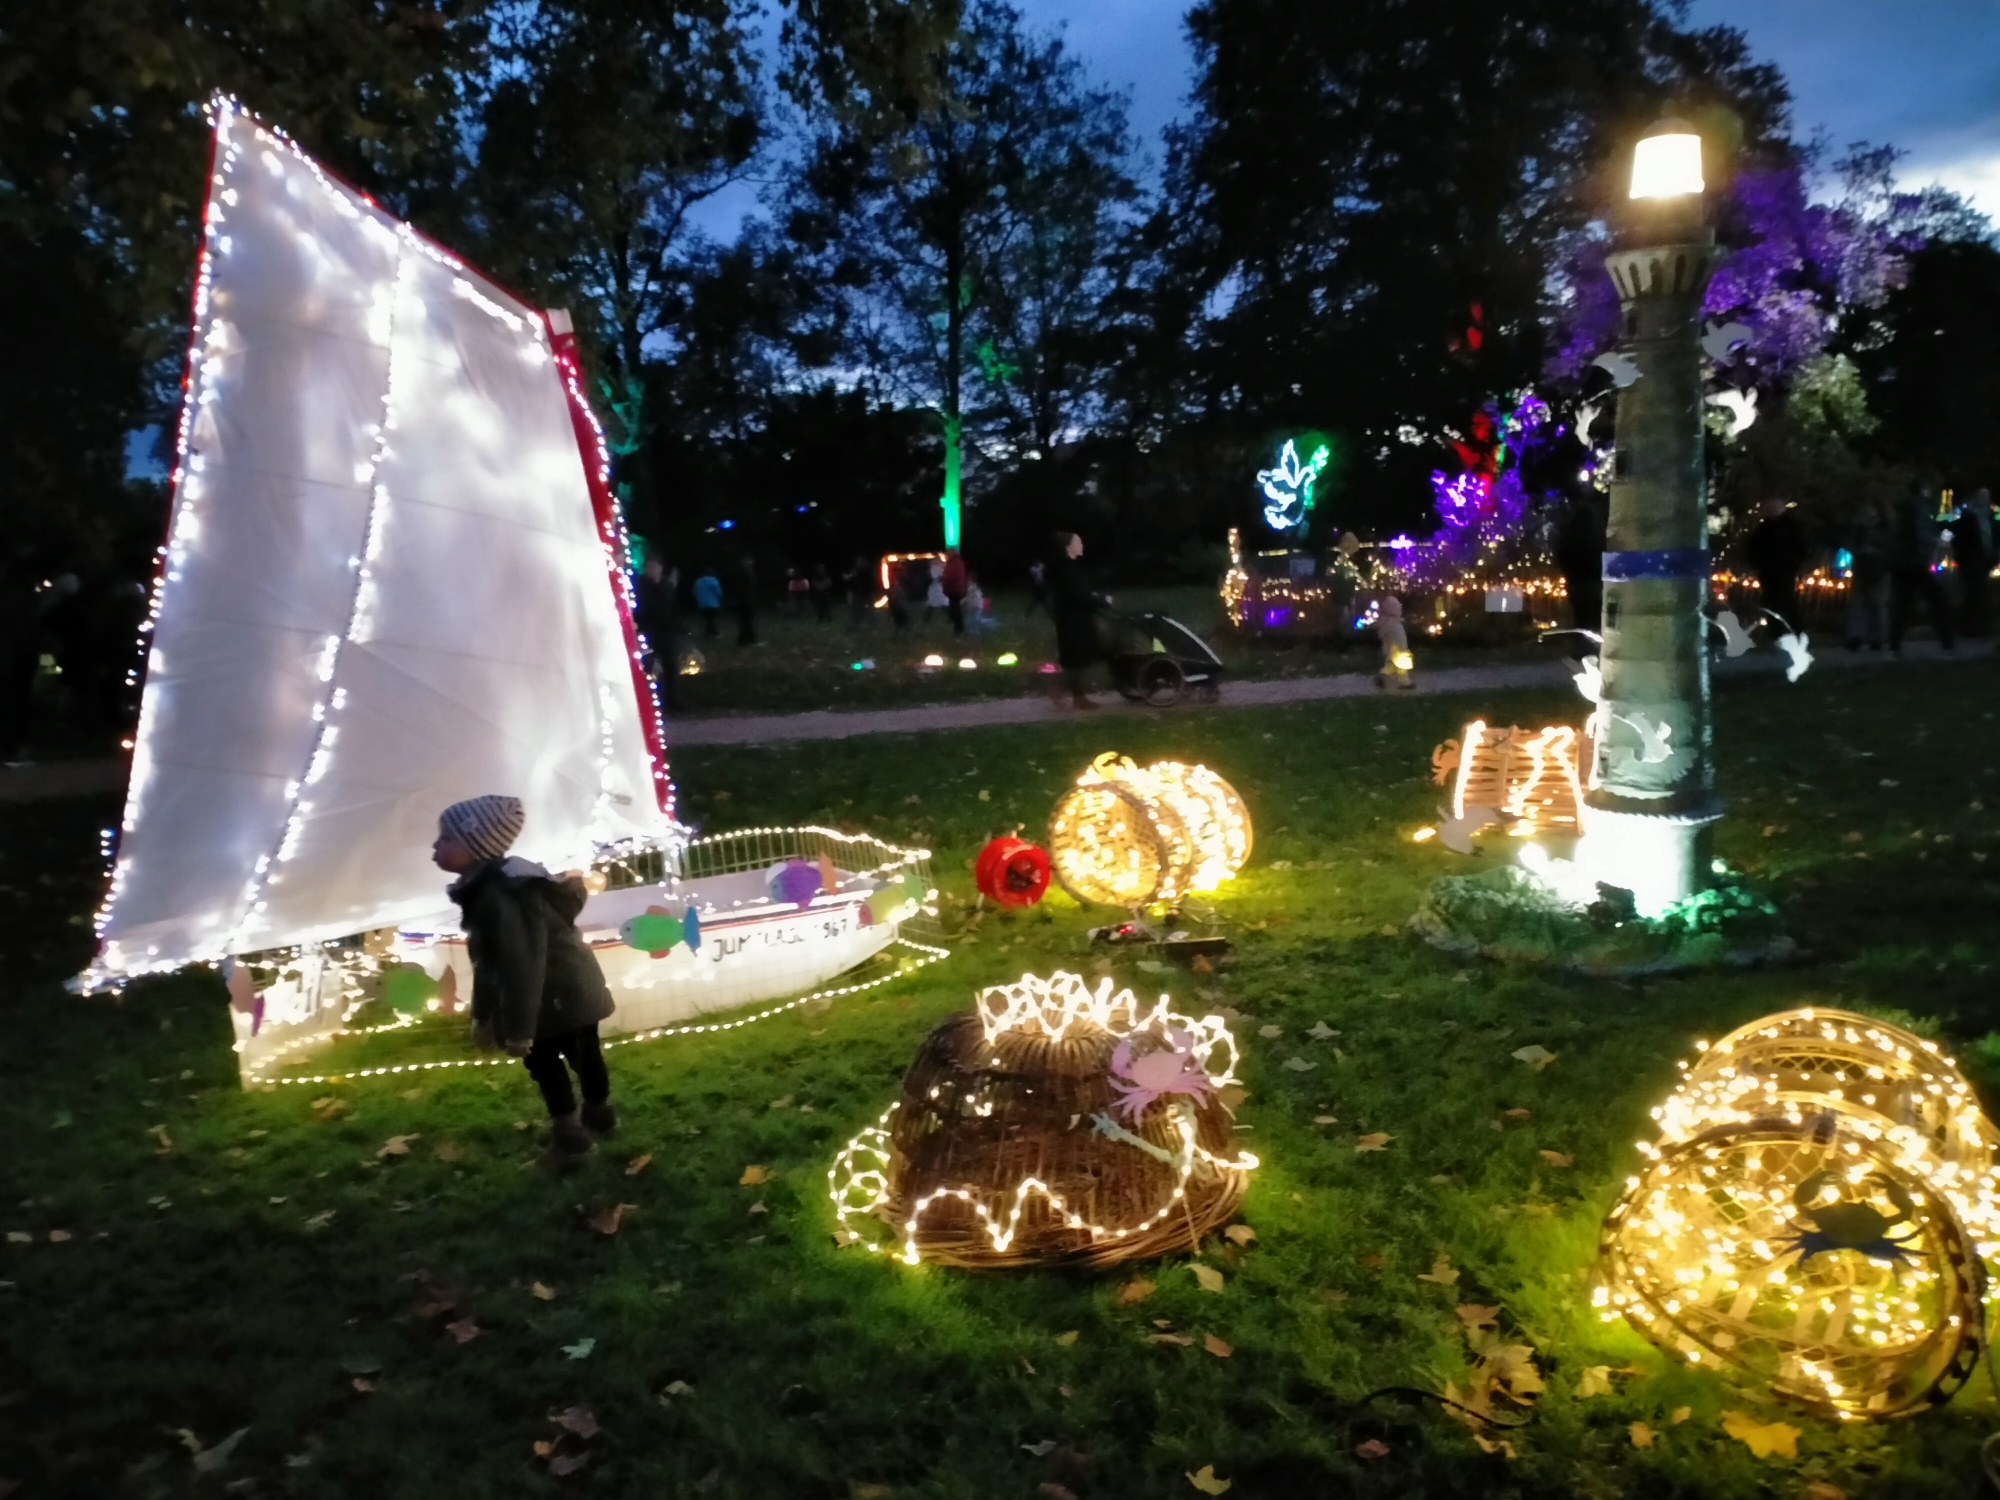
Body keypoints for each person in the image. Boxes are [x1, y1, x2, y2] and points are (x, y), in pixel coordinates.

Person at [433, 796, 616, 1171]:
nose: (436, 847)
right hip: (570, 987)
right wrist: (484, 1016)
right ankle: (599, 1115)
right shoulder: (497, 886)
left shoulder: (502, 895)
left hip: (552, 994)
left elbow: (519, 961)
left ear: (476, 846)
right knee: (584, 1053)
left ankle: (572, 1140)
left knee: (547, 1061)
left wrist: (517, 1030)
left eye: (447, 839)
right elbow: (491, 961)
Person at [1887, 484, 1955, 654]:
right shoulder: (1919, 509)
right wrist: (1932, 545)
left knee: (1904, 603)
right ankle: (1946, 640)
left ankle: (1895, 641)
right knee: (1935, 600)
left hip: (1901, 562)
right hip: (1915, 562)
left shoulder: (1902, 510)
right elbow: (1922, 535)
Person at [1049, 531, 1103, 709]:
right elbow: (1078, 596)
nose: (1082, 545)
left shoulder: (1069, 567)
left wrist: (1091, 596)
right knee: (1078, 658)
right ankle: (1061, 690)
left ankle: (1077, 696)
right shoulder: (1067, 569)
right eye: (1078, 542)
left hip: (1075, 619)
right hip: (1073, 621)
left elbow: (1079, 592)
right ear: (1068, 547)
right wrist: (1101, 601)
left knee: (1077, 659)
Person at [1745, 498, 1808, 633]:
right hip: (1770, 569)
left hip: (1783, 569)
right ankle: (1777, 630)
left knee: (1785, 600)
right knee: (1772, 601)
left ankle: (1793, 629)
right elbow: (1753, 547)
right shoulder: (1765, 528)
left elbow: (1801, 548)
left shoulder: (1790, 527)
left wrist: (1793, 564)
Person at [633, 553, 684, 711]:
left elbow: (672, 607)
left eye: (654, 566)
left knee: (670, 666)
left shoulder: (667, 585)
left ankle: (672, 700)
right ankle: (650, 702)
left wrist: (678, 626)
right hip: (649, 631)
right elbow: (641, 608)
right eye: (649, 567)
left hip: (666, 631)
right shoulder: (641, 586)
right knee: (649, 667)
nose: (651, 570)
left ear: (661, 568)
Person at [1554, 495, 1605, 649]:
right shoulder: (1596, 537)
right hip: (1593, 583)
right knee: (1593, 618)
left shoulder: (1570, 538)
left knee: (1581, 618)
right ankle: (1590, 649)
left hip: (1577, 584)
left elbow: (1562, 554)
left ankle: (1581, 648)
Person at [1842, 503, 1888, 651]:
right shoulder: (1859, 528)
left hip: (1877, 568)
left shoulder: (1883, 528)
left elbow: (1889, 546)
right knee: (1860, 603)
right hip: (1863, 566)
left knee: (1875, 603)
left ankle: (1877, 637)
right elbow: (1849, 543)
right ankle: (1857, 636)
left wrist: (1876, 552)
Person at [1953, 488, 1993, 637]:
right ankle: (1973, 626)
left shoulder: (1987, 516)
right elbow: (1962, 539)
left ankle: (1973, 625)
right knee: (1976, 591)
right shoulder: (1969, 517)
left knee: (1977, 592)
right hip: (1972, 558)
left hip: (1982, 558)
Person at [1373, 594, 1415, 690]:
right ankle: (1404, 682)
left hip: (1392, 648)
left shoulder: (1386, 623)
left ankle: (1382, 678)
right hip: (1399, 649)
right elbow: (1399, 638)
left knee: (1391, 663)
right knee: (1401, 662)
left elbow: (1384, 636)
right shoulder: (1395, 625)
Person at [940, 547, 969, 635]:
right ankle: (958, 626)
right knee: (953, 608)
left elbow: (955, 575)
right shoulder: (950, 563)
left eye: (950, 552)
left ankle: (959, 628)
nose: (948, 554)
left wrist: (945, 578)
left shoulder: (957, 563)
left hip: (955, 589)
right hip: (951, 589)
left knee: (955, 609)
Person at [735, 555, 760, 646]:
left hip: (742, 600)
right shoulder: (748, 571)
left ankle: (744, 639)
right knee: (748, 620)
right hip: (747, 600)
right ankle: (749, 639)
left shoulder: (740, 571)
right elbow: (751, 587)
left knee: (744, 621)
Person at [842, 554, 873, 629]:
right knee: (857, 607)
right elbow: (853, 576)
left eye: (860, 561)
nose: (858, 562)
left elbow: (856, 577)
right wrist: (848, 577)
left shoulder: (864, 570)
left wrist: (848, 577)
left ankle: (869, 623)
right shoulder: (857, 569)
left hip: (865, 591)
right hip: (858, 592)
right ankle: (857, 623)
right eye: (858, 561)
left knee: (865, 608)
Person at [693, 568, 723, 639]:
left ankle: (712, 633)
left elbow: (695, 592)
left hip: (702, 603)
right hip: (713, 603)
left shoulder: (698, 581)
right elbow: (718, 592)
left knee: (707, 618)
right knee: (711, 618)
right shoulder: (714, 580)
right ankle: (710, 634)